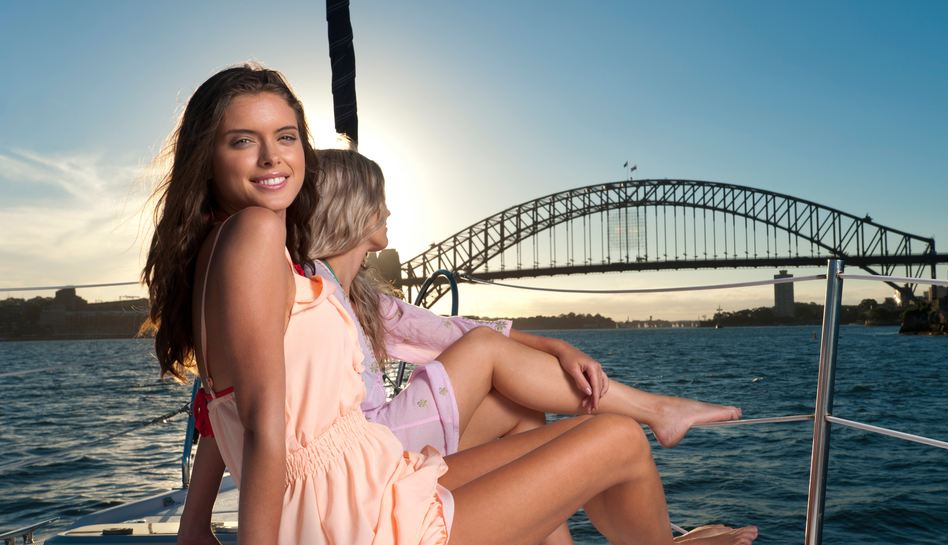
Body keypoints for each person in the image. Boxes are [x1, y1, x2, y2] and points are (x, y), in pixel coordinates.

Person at [145, 63, 758, 545]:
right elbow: (259, 424)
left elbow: (226, 407)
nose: (272, 156)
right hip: (345, 517)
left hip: (363, 479)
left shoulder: (223, 250)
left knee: (559, 428)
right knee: (619, 439)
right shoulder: (256, 233)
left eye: (285, 137)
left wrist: (194, 525)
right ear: (209, 155)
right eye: (243, 141)